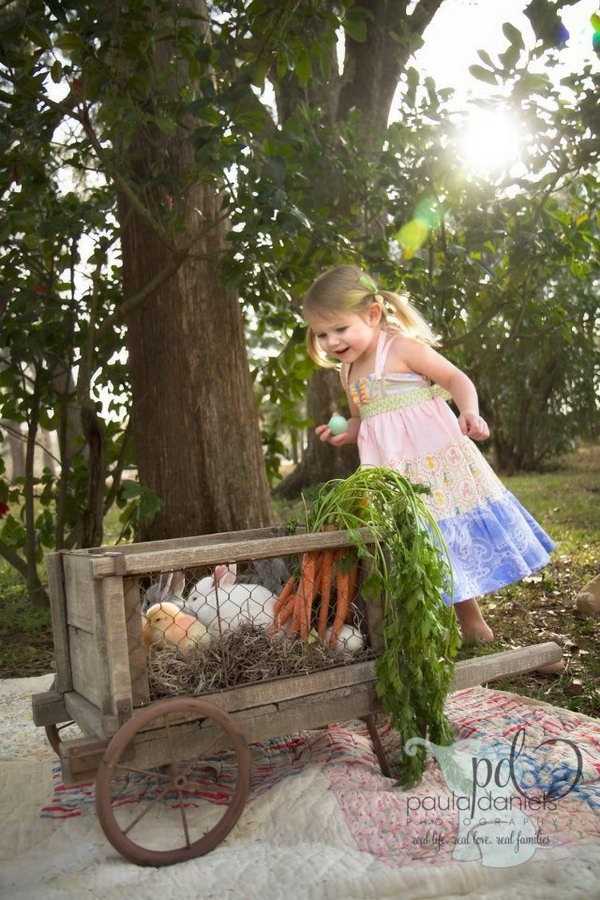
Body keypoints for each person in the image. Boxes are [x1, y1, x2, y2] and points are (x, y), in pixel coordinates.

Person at [303, 264, 555, 644]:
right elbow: (362, 420)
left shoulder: (400, 347)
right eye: (322, 334)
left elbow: (455, 378)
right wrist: (345, 433)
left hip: (433, 462)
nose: (331, 341)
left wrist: (470, 412)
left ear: (372, 314)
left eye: (340, 329)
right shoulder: (348, 370)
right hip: (393, 474)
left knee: (444, 535)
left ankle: (472, 625)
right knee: (418, 546)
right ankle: (451, 626)